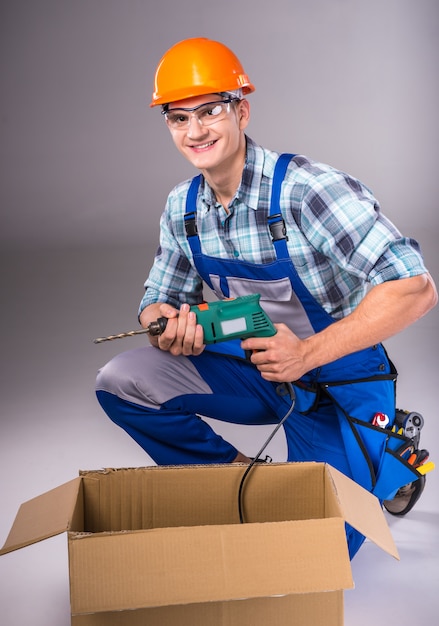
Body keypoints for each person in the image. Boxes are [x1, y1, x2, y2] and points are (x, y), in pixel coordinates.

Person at [96, 37, 437, 558]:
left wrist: (308, 353)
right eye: (178, 117)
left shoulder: (308, 190)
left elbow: (414, 288)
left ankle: (393, 461)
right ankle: (241, 479)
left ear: (242, 110)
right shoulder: (183, 207)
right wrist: (161, 320)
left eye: (209, 111)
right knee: (121, 381)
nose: (195, 131)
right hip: (258, 371)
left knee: (311, 554)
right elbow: (159, 296)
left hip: (337, 378)